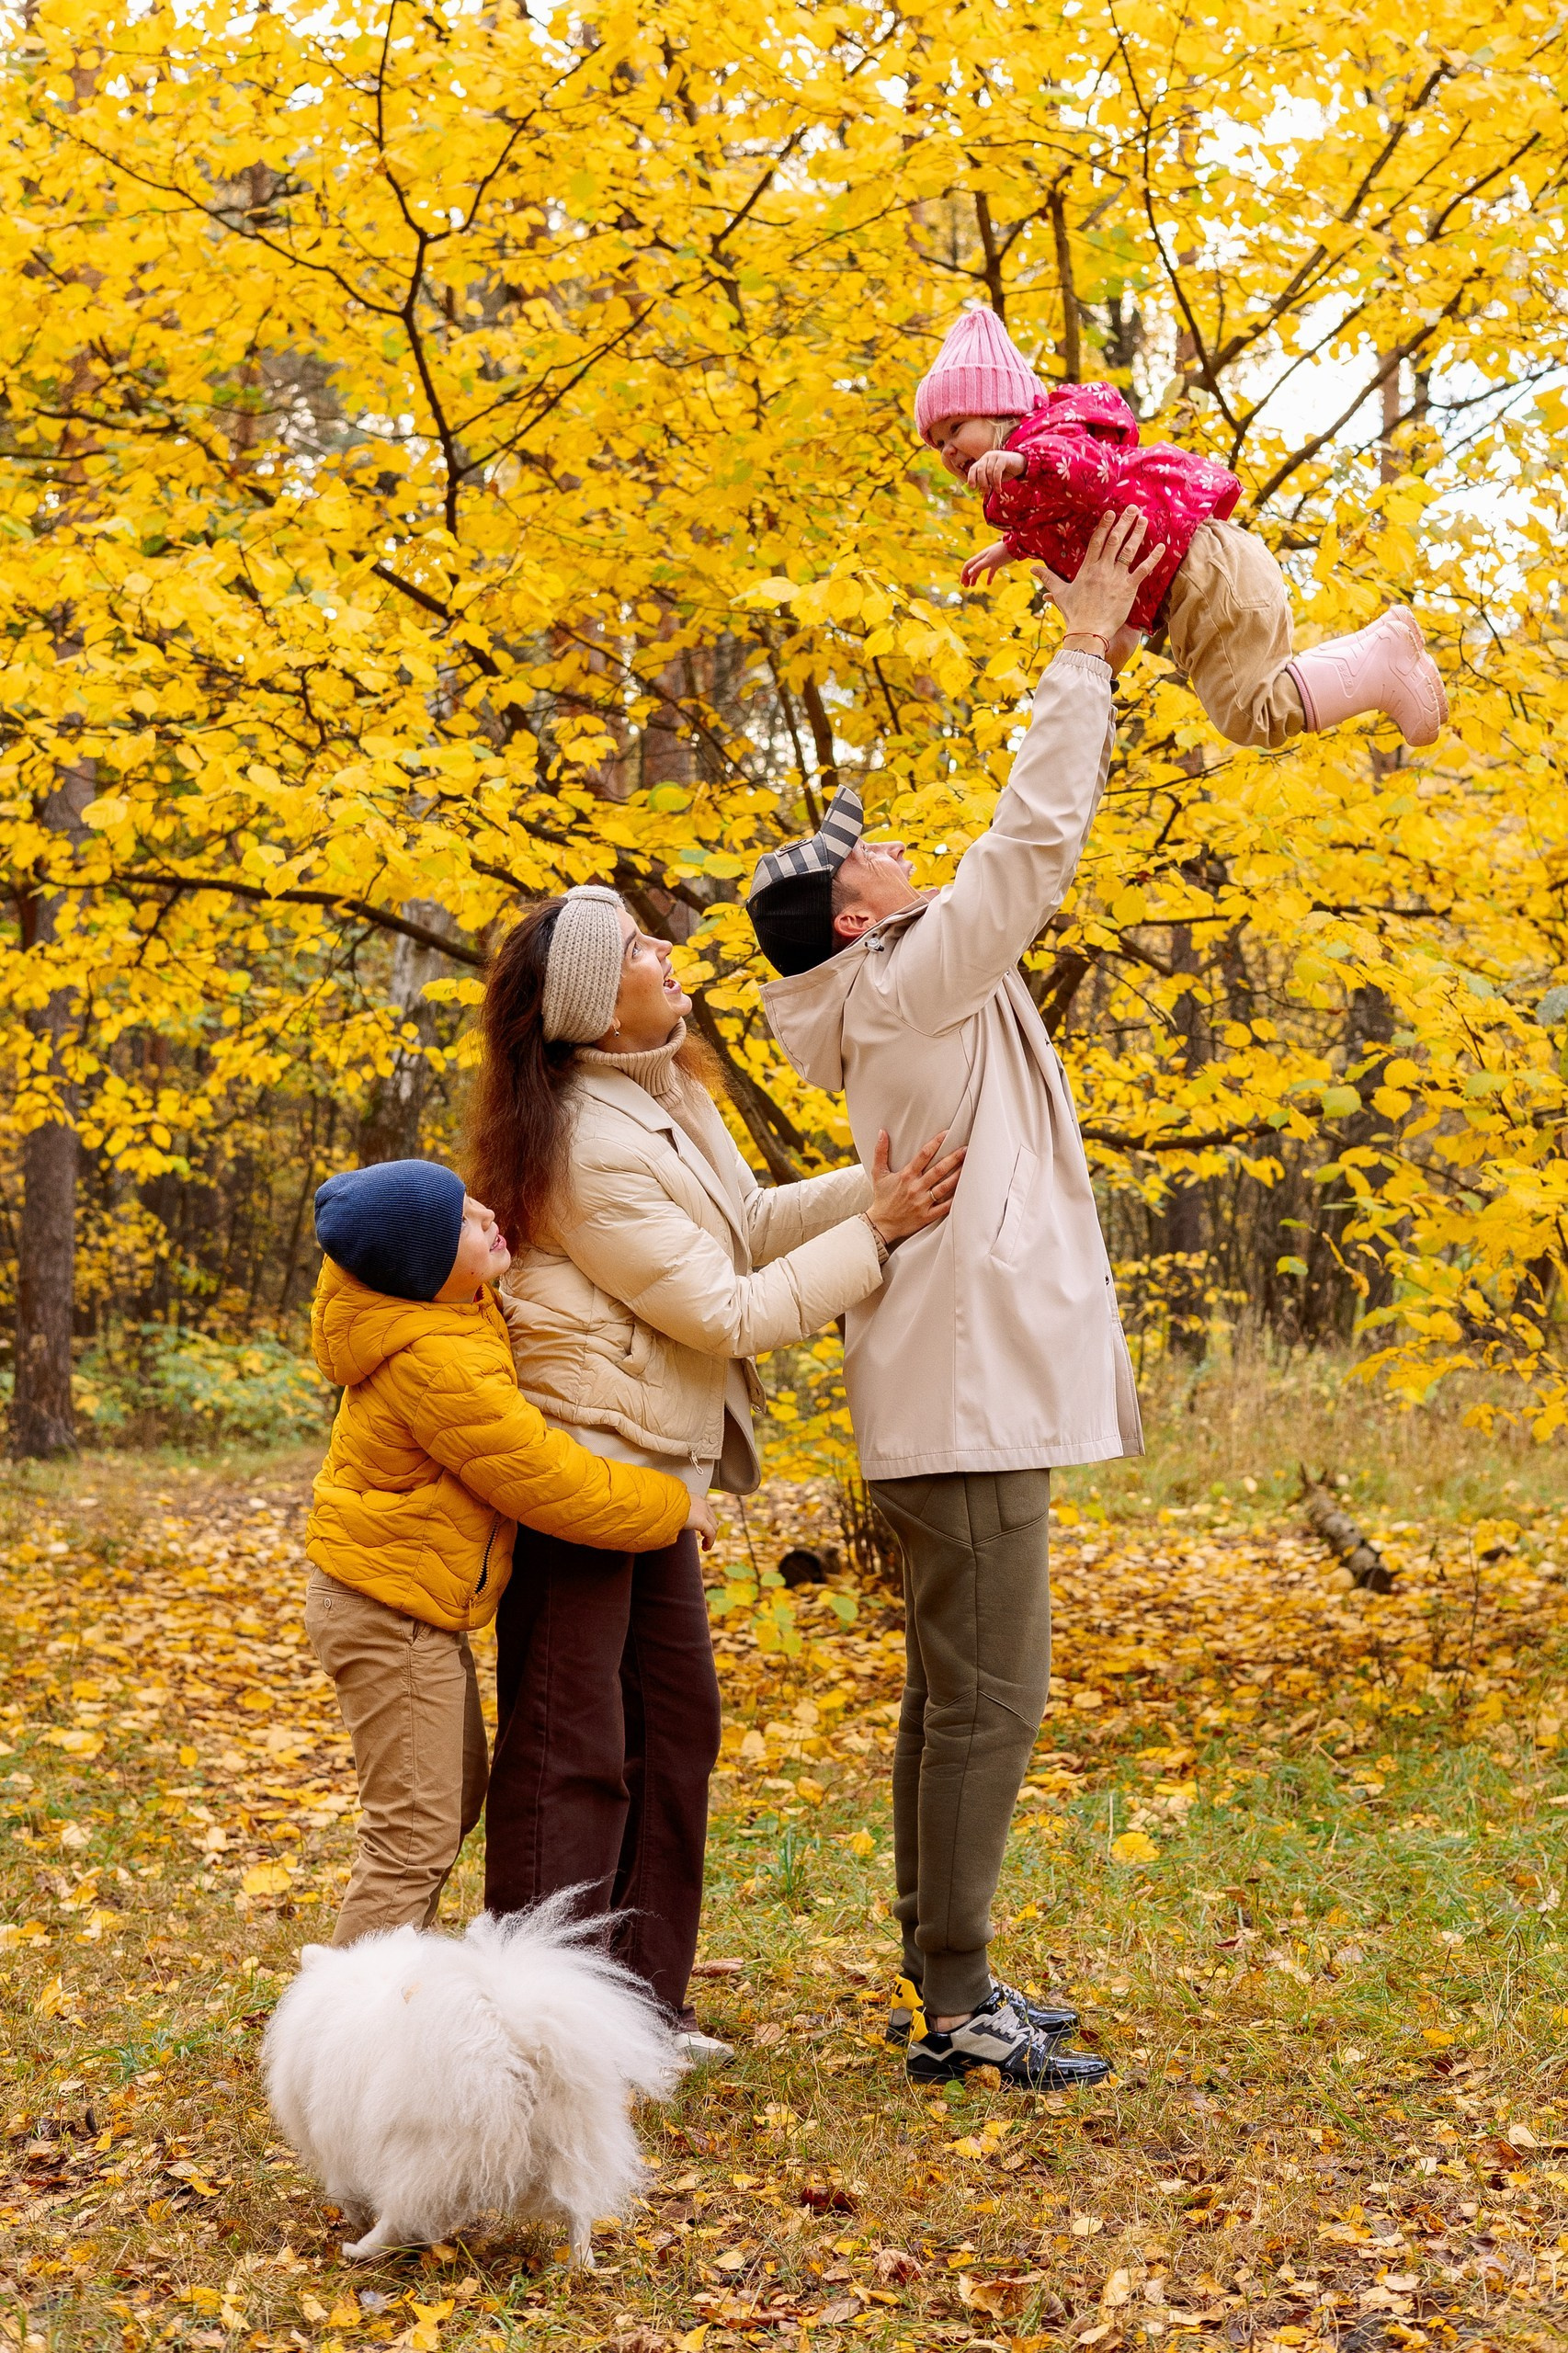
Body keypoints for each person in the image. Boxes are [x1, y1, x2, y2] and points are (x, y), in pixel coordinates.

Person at [746, 511, 1169, 2091]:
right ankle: (958, 1998)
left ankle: (945, 1970)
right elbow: (1030, 842)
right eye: (864, 855)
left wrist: (1089, 637)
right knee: (991, 1702)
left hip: (944, 1392)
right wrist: (1081, 651)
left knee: (948, 1697)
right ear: (854, 918)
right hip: (962, 1398)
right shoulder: (907, 979)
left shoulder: (889, 985)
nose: (890, 846)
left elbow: (1013, 853)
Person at [469, 890, 963, 2064]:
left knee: (674, 1729)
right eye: (639, 949)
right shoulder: (583, 1143)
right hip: (585, 1468)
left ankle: (641, 2010)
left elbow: (740, 1221)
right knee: (569, 1750)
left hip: (655, 1472)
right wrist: (878, 1235)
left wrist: (874, 1184)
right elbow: (727, 1311)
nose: (666, 953)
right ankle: (533, 2037)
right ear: (599, 1009)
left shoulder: (663, 1091)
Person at [304, 1156, 710, 1949]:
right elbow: (544, 1479)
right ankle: (347, 2013)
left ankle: (392, 1990)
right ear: (423, 1269)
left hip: (406, 1601)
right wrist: (670, 1505)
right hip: (387, 1614)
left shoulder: (448, 1310)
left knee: (448, 1800)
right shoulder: (434, 1360)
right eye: (461, 1222)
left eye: (473, 1202)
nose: (488, 1216)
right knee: (413, 1833)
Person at [915, 303, 1447, 751]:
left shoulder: (1050, 441)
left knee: (1250, 714)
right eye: (937, 443)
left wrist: (1020, 462)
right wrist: (1010, 547)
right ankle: (1380, 655)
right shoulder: (1031, 499)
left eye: (956, 428)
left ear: (1002, 411)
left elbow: (1085, 472)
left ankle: (1381, 663)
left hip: (1204, 571)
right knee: (1255, 702)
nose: (948, 450)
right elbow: (1059, 520)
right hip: (1205, 576)